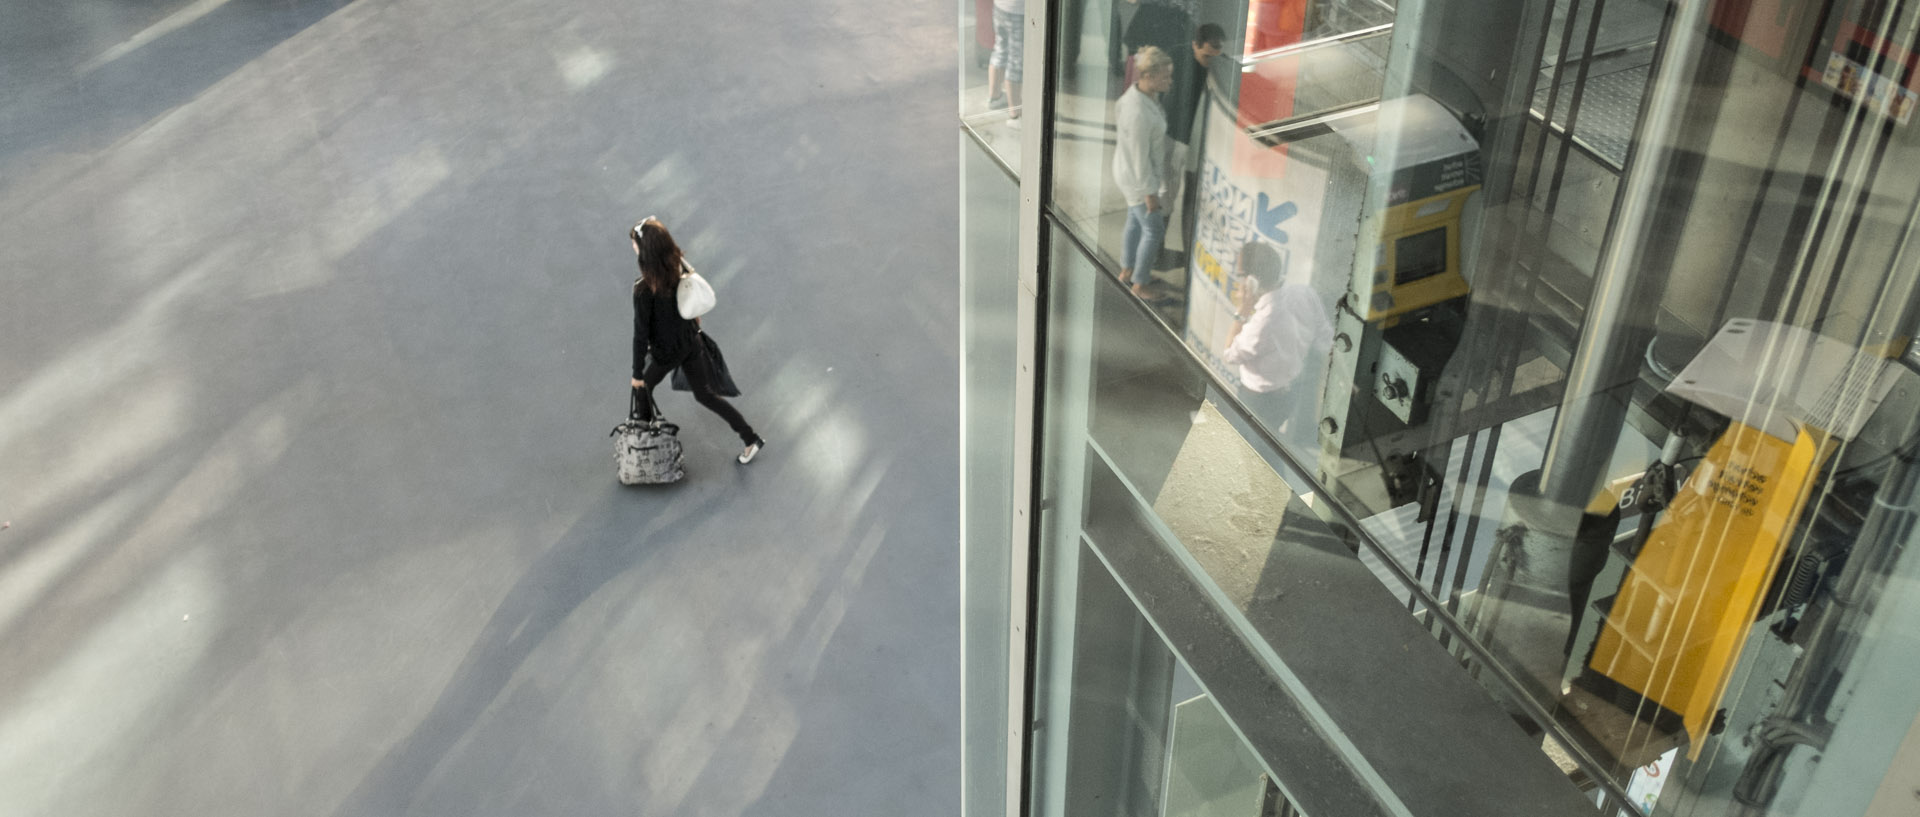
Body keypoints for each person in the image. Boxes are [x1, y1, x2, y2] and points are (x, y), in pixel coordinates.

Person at [629, 217, 765, 464]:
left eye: (635, 244)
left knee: (643, 390)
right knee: (706, 395)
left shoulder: (643, 289)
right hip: (691, 342)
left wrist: (637, 373)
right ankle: (750, 438)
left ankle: (650, 443)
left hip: (665, 353)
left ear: (645, 251)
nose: (634, 248)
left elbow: (640, 336)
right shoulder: (676, 267)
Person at [1221, 241, 1333, 441]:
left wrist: (1243, 310)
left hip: (1259, 401)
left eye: (1240, 275)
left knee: (1254, 447)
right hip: (1291, 391)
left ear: (1252, 281)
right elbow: (1325, 336)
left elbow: (1230, 353)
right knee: (1269, 441)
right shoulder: (1304, 293)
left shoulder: (1263, 323)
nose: (1238, 281)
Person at [1113, 45, 1174, 301]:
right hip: (1138, 179)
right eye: (1165, 77)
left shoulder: (1138, 96)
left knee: (1135, 222)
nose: (1170, 81)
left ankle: (1128, 270)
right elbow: (1140, 158)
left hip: (1129, 174)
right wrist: (1150, 193)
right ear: (1148, 76)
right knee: (1153, 230)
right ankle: (1140, 283)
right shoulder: (1138, 111)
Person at [1167, 23, 1225, 261]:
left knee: (1190, 198)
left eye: (1215, 57)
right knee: (1166, 199)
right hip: (1177, 139)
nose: (1210, 61)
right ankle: (1157, 250)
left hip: (1200, 145)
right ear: (1195, 45)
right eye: (1206, 56)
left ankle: (1187, 252)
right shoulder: (1178, 63)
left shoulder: (1216, 69)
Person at [987, 0, 1025, 125]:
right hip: (1018, 11)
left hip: (1000, 6)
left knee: (1000, 49)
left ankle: (995, 97)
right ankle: (1015, 115)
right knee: (1016, 61)